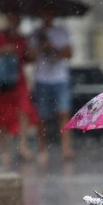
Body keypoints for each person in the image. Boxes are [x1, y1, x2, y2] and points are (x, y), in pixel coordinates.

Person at [0, 12, 43, 165]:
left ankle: (23, 146)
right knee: (2, 117)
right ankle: (4, 150)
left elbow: (30, 57)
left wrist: (34, 47)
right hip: (1, 82)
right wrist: (6, 49)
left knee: (24, 111)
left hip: (18, 81)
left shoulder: (22, 38)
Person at [30, 10, 75, 159]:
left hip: (60, 78)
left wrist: (54, 48)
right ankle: (42, 149)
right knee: (41, 116)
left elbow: (69, 52)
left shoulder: (61, 31)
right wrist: (42, 47)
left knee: (63, 113)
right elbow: (29, 55)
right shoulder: (36, 33)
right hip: (42, 78)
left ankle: (66, 148)